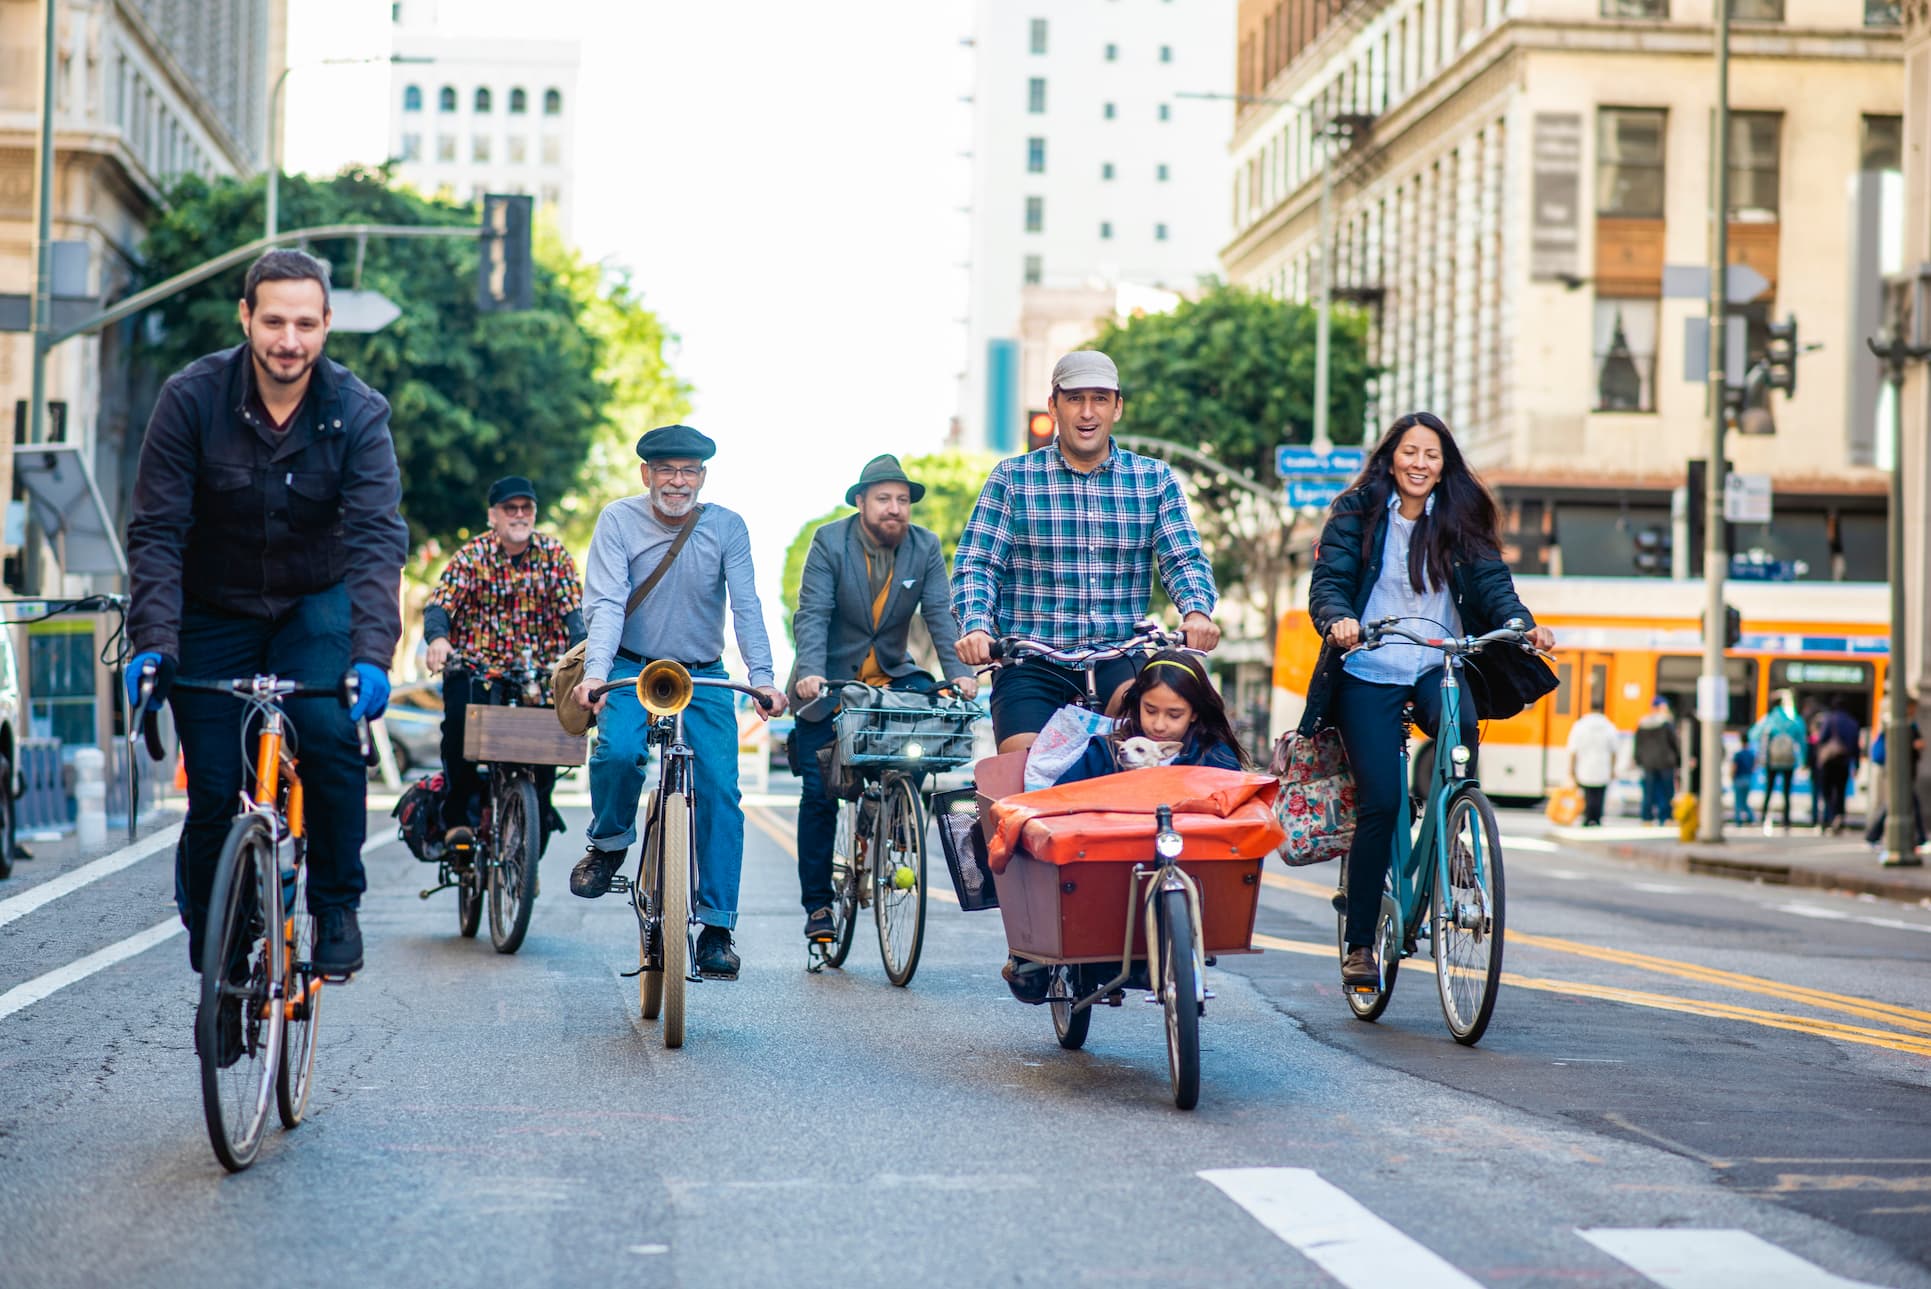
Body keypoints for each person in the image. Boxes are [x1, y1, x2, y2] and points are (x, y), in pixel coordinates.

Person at [124, 249, 409, 1053]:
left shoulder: (357, 411)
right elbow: (156, 532)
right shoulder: (190, 399)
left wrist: (371, 654)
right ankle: (219, 942)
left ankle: (338, 901)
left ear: (325, 326)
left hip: (311, 604)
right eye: (274, 320)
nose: (289, 339)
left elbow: (378, 538)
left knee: (326, 738)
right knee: (212, 791)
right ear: (246, 318)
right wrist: (155, 641)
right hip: (211, 607)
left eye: (306, 323)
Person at [1299, 411, 1555, 992]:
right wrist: (1337, 619)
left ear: (1445, 466)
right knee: (1381, 804)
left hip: (1436, 662)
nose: (1420, 463)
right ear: (1392, 456)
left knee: (1460, 727)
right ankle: (1361, 944)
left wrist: (1520, 624)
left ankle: (1451, 821)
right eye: (1411, 452)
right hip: (1369, 667)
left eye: (1432, 455)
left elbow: (1493, 584)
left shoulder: (1460, 518)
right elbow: (1331, 581)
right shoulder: (1356, 511)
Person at [566, 425, 786, 981]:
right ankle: (609, 842)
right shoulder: (617, 519)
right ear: (646, 474)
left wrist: (762, 678)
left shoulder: (727, 526)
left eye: (689, 470)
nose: (677, 480)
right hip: (630, 664)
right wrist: (594, 677)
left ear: (703, 478)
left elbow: (748, 608)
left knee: (719, 790)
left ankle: (716, 929)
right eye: (666, 469)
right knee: (616, 753)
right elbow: (609, 603)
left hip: (704, 673)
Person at [951, 350, 1220, 752]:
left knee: (1147, 746)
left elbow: (1182, 557)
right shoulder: (1012, 478)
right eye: (1075, 399)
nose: (1087, 412)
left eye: (1100, 399)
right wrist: (976, 626)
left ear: (1117, 407)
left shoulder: (1154, 479)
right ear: (1053, 406)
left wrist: (1196, 612)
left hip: (1120, 655)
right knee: (1023, 771)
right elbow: (977, 564)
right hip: (1031, 661)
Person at [788, 454, 977, 945]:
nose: (894, 509)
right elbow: (812, 613)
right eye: (883, 499)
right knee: (819, 792)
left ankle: (891, 812)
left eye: (901, 500)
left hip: (893, 678)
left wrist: (959, 673)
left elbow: (940, 614)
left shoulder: (925, 547)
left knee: (932, 726)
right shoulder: (830, 541)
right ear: (860, 502)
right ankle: (819, 907)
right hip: (829, 686)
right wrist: (809, 671)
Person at [424, 475, 584, 851]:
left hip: (540, 668)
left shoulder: (554, 555)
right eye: (509, 509)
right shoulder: (471, 555)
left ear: (534, 513)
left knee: (550, 744)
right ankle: (458, 817)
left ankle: (538, 810)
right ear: (492, 516)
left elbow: (573, 610)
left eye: (525, 508)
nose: (519, 515)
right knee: (459, 725)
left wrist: (582, 649)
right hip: (480, 666)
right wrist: (439, 639)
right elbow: (440, 603)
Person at [1050, 651, 1246, 787]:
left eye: (1174, 714)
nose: (1159, 726)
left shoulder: (1214, 756)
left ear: (1195, 713)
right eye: (1150, 711)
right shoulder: (1106, 751)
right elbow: (1060, 798)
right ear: (1137, 704)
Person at [1750, 690, 1808, 833]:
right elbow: (1802, 741)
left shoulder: (1768, 719)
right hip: (1788, 761)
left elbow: (1753, 735)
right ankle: (1786, 821)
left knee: (1769, 790)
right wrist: (1803, 761)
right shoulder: (1792, 721)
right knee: (1786, 793)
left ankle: (1764, 817)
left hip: (1773, 760)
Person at [1809, 697, 1861, 835]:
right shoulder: (1852, 723)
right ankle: (1840, 817)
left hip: (1829, 762)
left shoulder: (1829, 719)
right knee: (1841, 792)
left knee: (1827, 791)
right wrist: (1856, 765)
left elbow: (1822, 739)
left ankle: (1829, 818)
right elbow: (1856, 748)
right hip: (1844, 762)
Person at [1565, 701, 1620, 827]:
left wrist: (1571, 769)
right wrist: (1613, 768)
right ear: (1601, 710)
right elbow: (1614, 751)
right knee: (1599, 794)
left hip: (1585, 766)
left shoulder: (1580, 726)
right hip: (1603, 766)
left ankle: (1587, 818)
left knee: (1587, 793)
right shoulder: (1609, 727)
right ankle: (1597, 819)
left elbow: (1573, 750)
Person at [1632, 696, 1681, 825]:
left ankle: (1647, 818)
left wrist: (1639, 760)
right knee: (1666, 792)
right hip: (1666, 763)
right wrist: (1678, 760)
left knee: (1648, 792)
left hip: (1648, 764)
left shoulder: (1642, 724)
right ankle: (1666, 818)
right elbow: (1674, 743)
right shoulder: (1666, 724)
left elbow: (1638, 745)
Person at [1730, 739, 1758, 825]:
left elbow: (1734, 767)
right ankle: (1751, 817)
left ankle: (1738, 820)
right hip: (1748, 778)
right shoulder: (1751, 754)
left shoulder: (1738, 754)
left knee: (1738, 801)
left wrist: (1732, 776)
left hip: (1739, 778)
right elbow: (1755, 765)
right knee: (1744, 801)